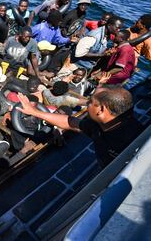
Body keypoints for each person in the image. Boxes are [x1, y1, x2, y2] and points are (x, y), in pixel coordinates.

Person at [16, 86, 145, 167]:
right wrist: (35, 112)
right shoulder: (99, 124)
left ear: (101, 110)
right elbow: (70, 122)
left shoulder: (136, 141)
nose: (87, 104)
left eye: (90, 102)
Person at [57, 16, 124, 78]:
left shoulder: (106, 35)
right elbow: (79, 53)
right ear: (109, 25)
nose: (118, 30)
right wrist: (101, 55)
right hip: (73, 66)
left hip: (84, 67)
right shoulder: (95, 36)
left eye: (120, 29)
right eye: (117, 28)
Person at [125, 14, 151, 89]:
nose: (135, 22)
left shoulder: (148, 41)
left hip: (129, 61)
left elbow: (149, 58)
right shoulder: (131, 30)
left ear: (143, 26)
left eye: (138, 22)